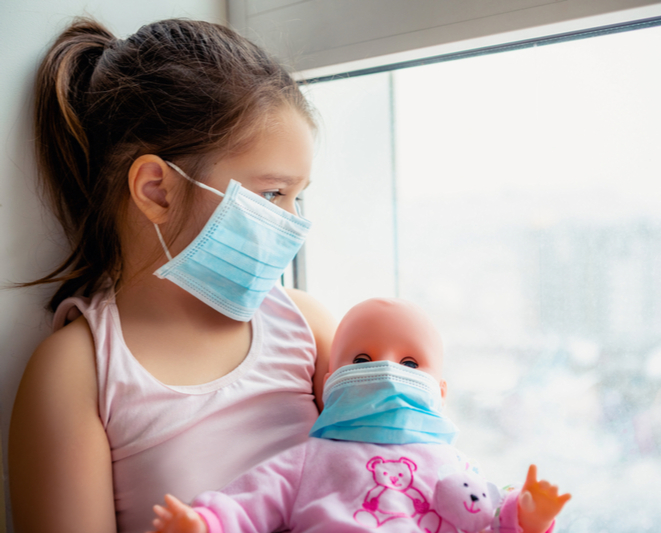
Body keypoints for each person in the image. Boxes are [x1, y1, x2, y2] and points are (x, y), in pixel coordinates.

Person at [8, 17, 336, 533]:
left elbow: (392, 473)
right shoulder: (77, 372)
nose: (292, 222)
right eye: (273, 194)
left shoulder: (309, 328)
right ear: (157, 189)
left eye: (299, 195)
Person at [147, 298, 571, 533]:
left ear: (440, 392)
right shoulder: (311, 460)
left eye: (409, 364)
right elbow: (251, 501)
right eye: (363, 357)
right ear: (331, 380)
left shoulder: (456, 465)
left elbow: (490, 522)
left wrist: (527, 515)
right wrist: (203, 522)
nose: (384, 369)